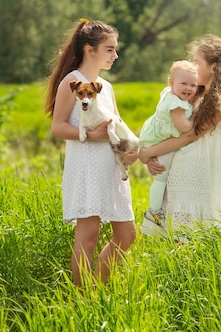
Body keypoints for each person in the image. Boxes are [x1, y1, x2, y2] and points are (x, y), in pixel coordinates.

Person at [44, 18, 138, 287]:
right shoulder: (72, 82)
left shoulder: (105, 87)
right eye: (110, 49)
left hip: (112, 167)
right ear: (90, 49)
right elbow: (58, 127)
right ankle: (83, 301)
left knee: (127, 234)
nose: (115, 55)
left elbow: (118, 125)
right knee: (89, 235)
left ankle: (95, 289)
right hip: (86, 165)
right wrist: (93, 136)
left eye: (115, 49)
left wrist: (131, 150)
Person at [139, 34, 221, 239]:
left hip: (201, 176)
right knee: (178, 238)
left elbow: (191, 136)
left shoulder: (220, 100)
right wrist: (153, 156)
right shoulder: (190, 94)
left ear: (213, 67)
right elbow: (167, 128)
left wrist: (147, 152)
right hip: (181, 172)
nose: (192, 66)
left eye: (197, 62)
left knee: (195, 238)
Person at [138, 60, 198, 236]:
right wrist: (195, 119)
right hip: (157, 141)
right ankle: (154, 211)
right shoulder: (176, 105)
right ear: (171, 82)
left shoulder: (169, 94)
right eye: (184, 83)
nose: (188, 88)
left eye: (193, 85)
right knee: (161, 178)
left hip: (154, 136)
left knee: (162, 174)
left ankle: (156, 210)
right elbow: (184, 128)